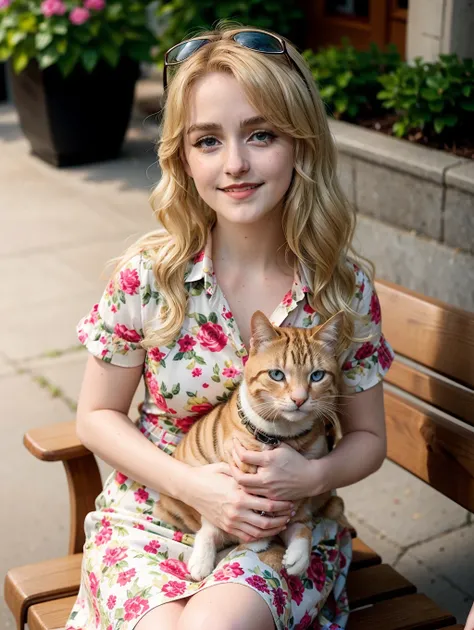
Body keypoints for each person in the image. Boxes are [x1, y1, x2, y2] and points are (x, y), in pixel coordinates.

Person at [65, 24, 394, 630]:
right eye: (208, 140)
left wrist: (315, 475)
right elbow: (96, 415)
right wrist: (197, 487)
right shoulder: (150, 277)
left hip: (285, 528)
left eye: (261, 134)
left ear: (301, 143)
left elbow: (370, 440)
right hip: (156, 514)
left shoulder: (340, 293)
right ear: (182, 157)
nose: (235, 163)